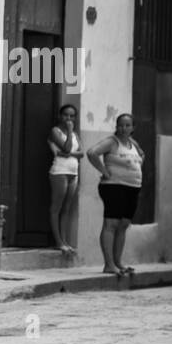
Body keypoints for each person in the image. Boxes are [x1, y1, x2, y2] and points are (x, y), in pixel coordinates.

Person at [86, 113, 144, 277]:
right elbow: (91, 153)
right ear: (116, 126)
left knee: (124, 225)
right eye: (120, 125)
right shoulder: (112, 142)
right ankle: (109, 264)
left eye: (127, 125)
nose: (123, 128)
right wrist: (104, 171)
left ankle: (118, 262)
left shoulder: (133, 144)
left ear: (133, 128)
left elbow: (141, 156)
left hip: (132, 188)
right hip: (113, 187)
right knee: (111, 224)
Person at [47, 103, 82, 256]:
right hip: (59, 171)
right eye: (66, 115)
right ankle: (58, 242)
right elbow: (67, 148)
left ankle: (65, 241)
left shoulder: (75, 134)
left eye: (72, 115)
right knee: (57, 207)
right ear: (60, 116)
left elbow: (81, 153)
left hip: (73, 172)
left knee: (67, 209)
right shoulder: (56, 131)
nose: (69, 118)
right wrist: (68, 131)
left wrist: (69, 154)